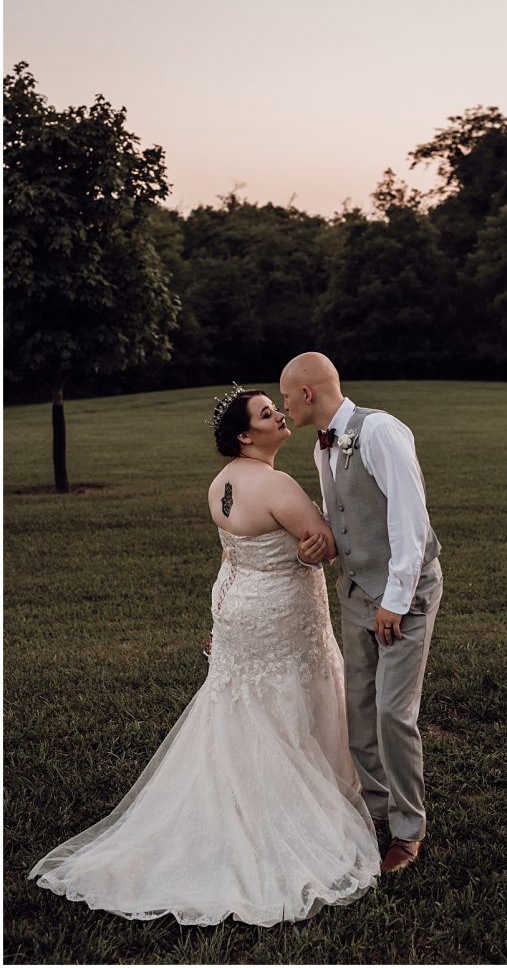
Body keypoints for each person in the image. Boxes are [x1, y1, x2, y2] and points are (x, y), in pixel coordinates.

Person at [30, 386, 380, 925]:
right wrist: (324, 540)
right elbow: (323, 543)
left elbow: (235, 549)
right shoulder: (276, 483)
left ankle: (236, 802)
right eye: (267, 414)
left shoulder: (220, 484)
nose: (280, 416)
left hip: (235, 607)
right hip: (278, 614)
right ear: (246, 435)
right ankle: (287, 815)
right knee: (289, 694)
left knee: (243, 707)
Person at [279, 353, 443, 875]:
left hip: (404, 594)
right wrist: (319, 547)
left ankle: (409, 829)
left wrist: (396, 599)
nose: (283, 405)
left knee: (394, 713)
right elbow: (341, 518)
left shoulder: (378, 431)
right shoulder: (321, 447)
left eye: (285, 395)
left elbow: (409, 518)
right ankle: (376, 812)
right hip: (354, 593)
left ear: (308, 392)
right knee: (360, 709)